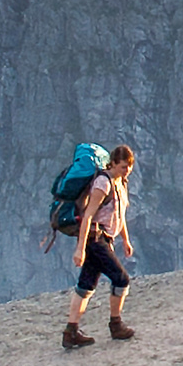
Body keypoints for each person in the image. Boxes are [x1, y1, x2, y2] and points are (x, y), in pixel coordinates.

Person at [65, 145, 139, 347]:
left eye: (129, 167)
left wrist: (125, 240)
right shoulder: (102, 184)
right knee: (121, 279)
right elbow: (88, 216)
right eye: (123, 166)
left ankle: (71, 331)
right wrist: (80, 248)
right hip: (95, 238)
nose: (127, 171)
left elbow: (119, 216)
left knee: (86, 284)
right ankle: (116, 325)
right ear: (113, 163)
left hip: (105, 238)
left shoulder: (120, 183)